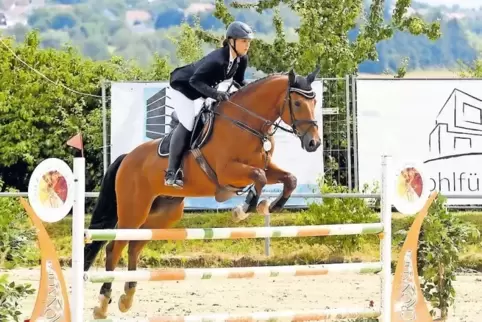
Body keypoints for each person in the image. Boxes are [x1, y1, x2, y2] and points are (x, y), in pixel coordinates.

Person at [164, 21, 254, 188]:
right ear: (231, 41)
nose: (247, 45)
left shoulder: (241, 59)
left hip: (201, 89)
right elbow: (194, 80)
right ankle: (171, 172)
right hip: (183, 87)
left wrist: (252, 94)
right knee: (189, 122)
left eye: (248, 41)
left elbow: (239, 81)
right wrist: (216, 94)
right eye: (243, 41)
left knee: (210, 116)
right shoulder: (217, 59)